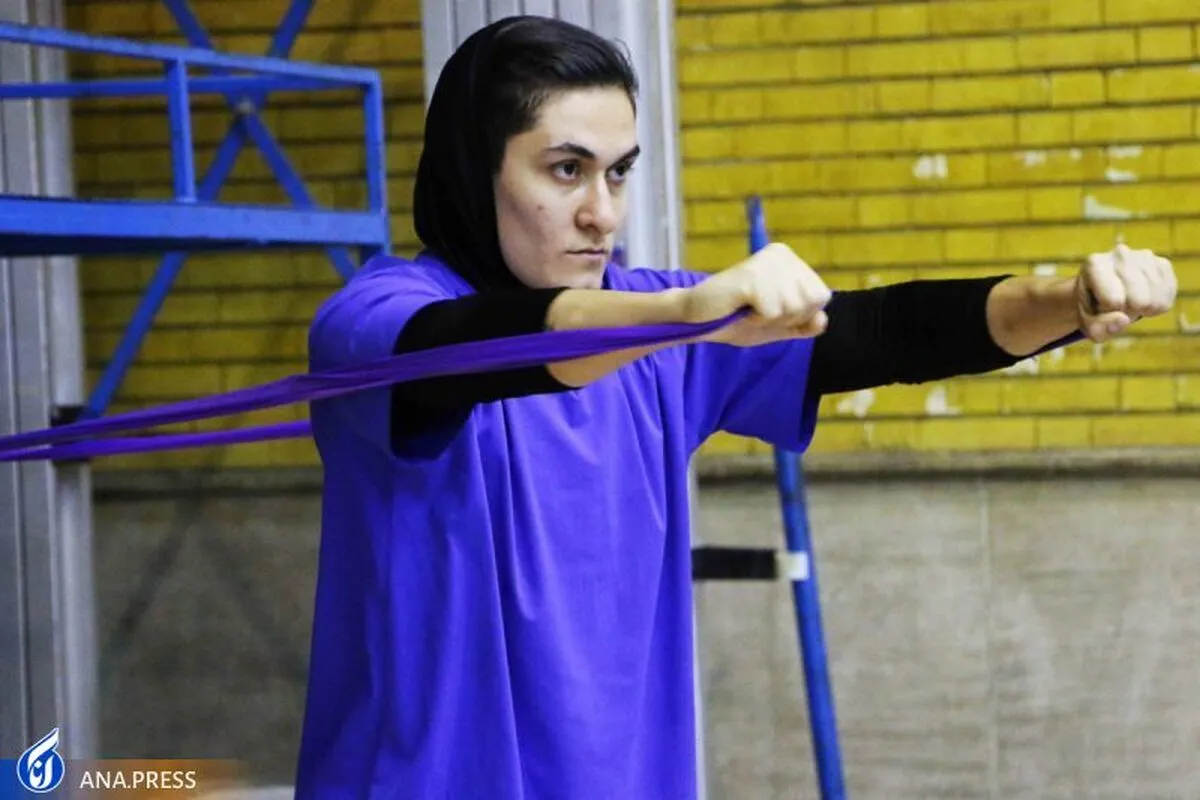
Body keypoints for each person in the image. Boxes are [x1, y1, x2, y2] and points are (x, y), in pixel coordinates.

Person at [293, 15, 1177, 800]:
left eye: (618, 173)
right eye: (566, 171)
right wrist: (683, 313)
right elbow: (467, 348)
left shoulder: (665, 333)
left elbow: (883, 333)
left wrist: (1067, 299)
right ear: (473, 172)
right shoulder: (372, 321)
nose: (602, 214)